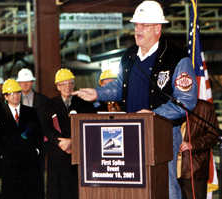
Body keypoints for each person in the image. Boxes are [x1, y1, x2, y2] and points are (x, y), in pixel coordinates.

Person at [73, 1, 198, 199]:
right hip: (131, 132)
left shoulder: (177, 58)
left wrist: (154, 115)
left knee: (165, 184)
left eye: (143, 25)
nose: (137, 30)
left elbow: (186, 101)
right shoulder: (129, 56)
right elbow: (120, 87)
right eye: (136, 25)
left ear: (157, 28)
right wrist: (98, 93)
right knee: (135, 184)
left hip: (162, 133)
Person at [46, 68, 95, 199]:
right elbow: (45, 128)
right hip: (57, 155)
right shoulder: (49, 104)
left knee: (75, 190)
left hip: (78, 155)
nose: (67, 87)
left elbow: (91, 127)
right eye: (63, 84)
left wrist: (74, 142)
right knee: (57, 191)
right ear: (57, 86)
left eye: (70, 83)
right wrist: (59, 142)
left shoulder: (84, 104)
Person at [0, 79, 43, 199]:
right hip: (9, 163)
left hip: (29, 162)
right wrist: (1, 154)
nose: (16, 96)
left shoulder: (31, 112)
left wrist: (37, 150)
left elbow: (38, 134)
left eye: (18, 93)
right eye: (12, 93)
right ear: (6, 97)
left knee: (30, 192)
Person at [16, 68, 51, 198]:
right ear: (18, 83)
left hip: (38, 144)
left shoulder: (43, 101)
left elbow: (47, 122)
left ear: (32, 82)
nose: (25, 84)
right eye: (22, 82)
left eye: (28, 81)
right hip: (19, 145)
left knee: (38, 175)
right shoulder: (13, 100)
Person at [177, 100, 219, 199]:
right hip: (170, 169)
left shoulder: (205, 107)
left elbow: (213, 135)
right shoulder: (168, 106)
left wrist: (193, 145)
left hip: (194, 169)